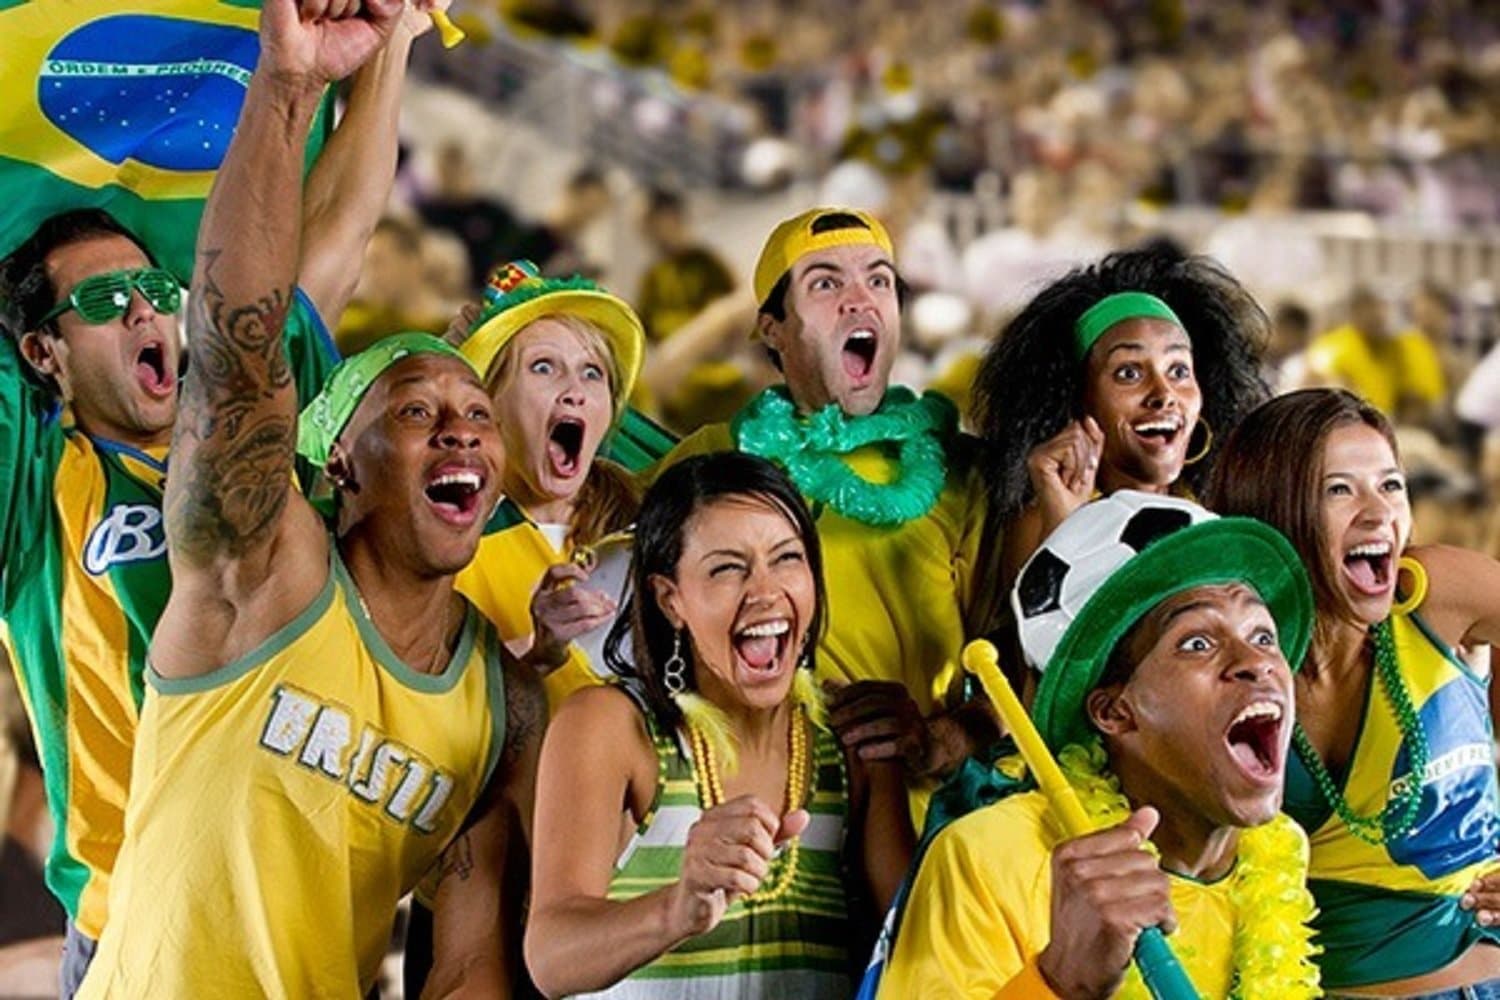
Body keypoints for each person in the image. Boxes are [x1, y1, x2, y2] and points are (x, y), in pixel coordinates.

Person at [75, 3, 542, 995]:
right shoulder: (261, 562)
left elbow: (467, 963)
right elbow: (237, 356)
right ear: (340, 467)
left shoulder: (503, 705)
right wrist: (288, 89)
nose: (460, 425)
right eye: (416, 412)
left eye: (473, 411)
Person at [0, 5, 429, 991]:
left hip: (312, 928)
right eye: (106, 304)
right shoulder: (36, 474)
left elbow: (335, 237)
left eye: (153, 289)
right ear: (41, 352)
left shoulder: (247, 424)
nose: (146, 307)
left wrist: (395, 40)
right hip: (141, 936)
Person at [876, 491, 1321, 999]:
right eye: (1197, 642)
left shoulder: (1276, 856)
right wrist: (1063, 981)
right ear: (1114, 712)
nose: (1256, 661)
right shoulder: (987, 854)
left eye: (1263, 636)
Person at [526, 451, 914, 998]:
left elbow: (916, 951)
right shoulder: (611, 726)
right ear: (670, 599)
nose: (765, 591)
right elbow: (551, 958)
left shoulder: (855, 737)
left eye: (787, 559)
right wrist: (681, 906)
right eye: (728, 568)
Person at [661, 207, 992, 820]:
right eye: (825, 283)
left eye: (879, 280)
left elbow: (1022, 662)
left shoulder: (966, 473)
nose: (859, 301)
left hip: (907, 826)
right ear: (772, 330)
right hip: (735, 817)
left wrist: (937, 739)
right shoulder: (708, 457)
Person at [1208, 388, 1500, 995]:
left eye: (1391, 486)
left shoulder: (1435, 594)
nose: (1377, 514)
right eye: (1338, 490)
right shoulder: (1226, 665)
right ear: (1274, 509)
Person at [969, 247, 1270, 668]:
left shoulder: (1220, 508)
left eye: (1179, 370)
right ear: (1077, 398)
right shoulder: (1041, 518)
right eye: (1129, 372)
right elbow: (1050, 672)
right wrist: (1065, 527)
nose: (1164, 394)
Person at [453, 258, 647, 714]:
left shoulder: (653, 522)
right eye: (544, 367)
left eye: (592, 373)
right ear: (489, 401)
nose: (575, 391)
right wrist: (539, 654)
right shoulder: (447, 540)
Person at [1304, 286, 1446, 422]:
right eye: (1368, 308)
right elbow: (1323, 388)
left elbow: (1421, 398)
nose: (1377, 315)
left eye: (1382, 307)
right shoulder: (1332, 347)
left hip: (1395, 427)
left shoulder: (1404, 347)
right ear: (1354, 312)